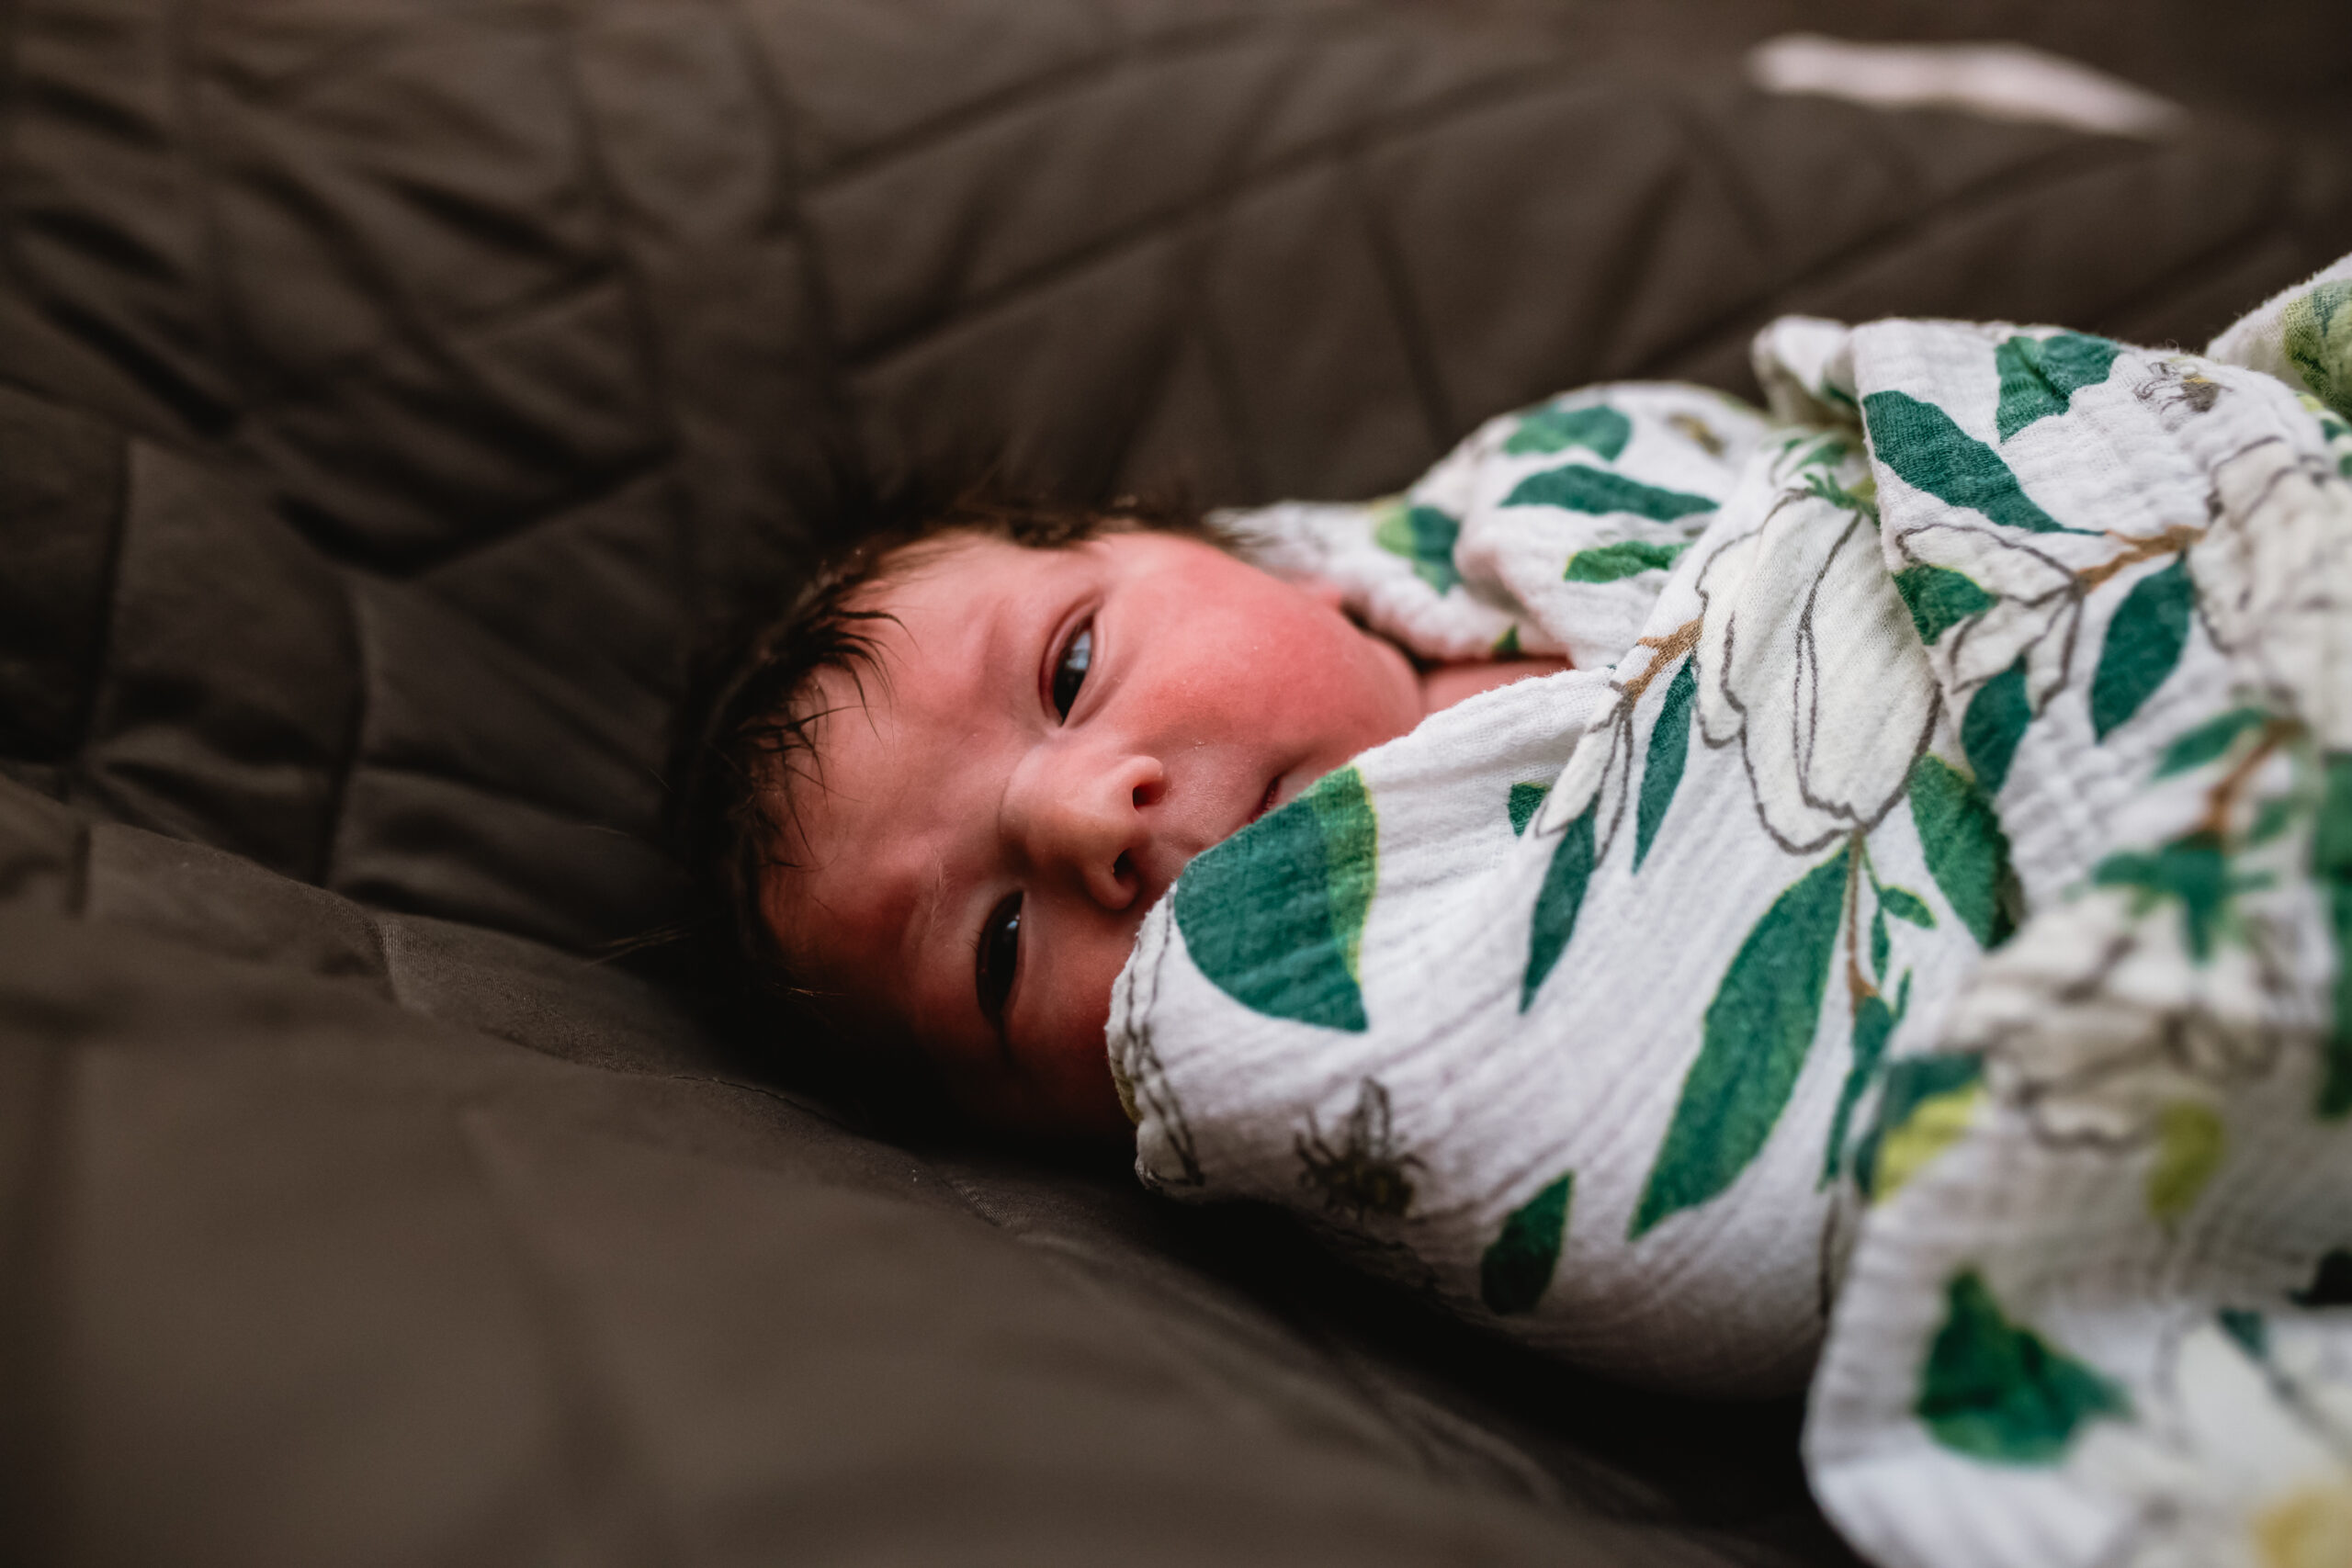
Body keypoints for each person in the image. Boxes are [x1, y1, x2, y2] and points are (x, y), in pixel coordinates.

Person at [677, 491, 1568, 1141]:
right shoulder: (1423, 1133)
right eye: (1002, 946)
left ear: (1257, 567)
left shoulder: (1531, 524)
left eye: (1070, 672)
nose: (1087, 820)